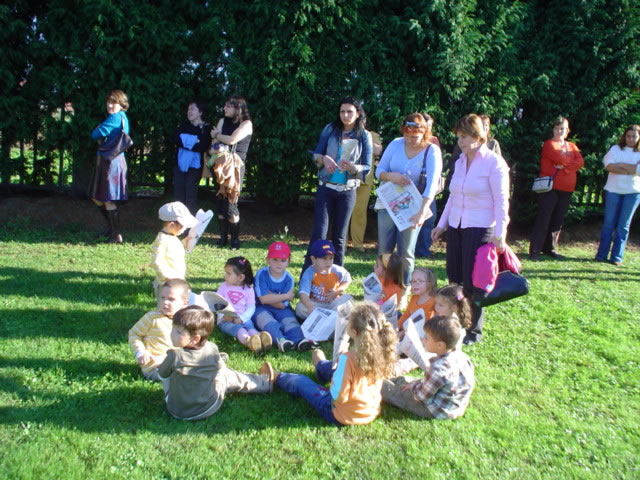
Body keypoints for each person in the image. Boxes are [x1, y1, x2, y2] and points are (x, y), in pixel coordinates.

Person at [431, 114, 510, 345]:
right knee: (455, 277)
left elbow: (501, 202)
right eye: (459, 137)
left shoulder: (494, 163)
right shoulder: (459, 162)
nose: (460, 142)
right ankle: (454, 322)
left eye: (465, 137)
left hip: (481, 228)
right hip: (457, 226)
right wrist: (441, 225)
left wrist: (501, 233)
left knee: (474, 282)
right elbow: (453, 197)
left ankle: (473, 329)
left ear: (478, 136)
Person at [262, 302, 397, 426]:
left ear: (354, 332)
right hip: (370, 412)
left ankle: (276, 376)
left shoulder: (348, 359)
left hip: (340, 413)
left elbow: (338, 396)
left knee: (302, 381)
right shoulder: (382, 353)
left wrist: (338, 372)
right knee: (333, 368)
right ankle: (320, 365)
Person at [158, 306, 273, 421]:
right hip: (207, 408)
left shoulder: (174, 356)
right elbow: (220, 370)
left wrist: (168, 395)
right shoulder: (212, 348)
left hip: (175, 410)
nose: (172, 334)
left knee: (216, 369)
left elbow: (162, 376)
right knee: (227, 375)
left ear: (195, 339)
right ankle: (264, 383)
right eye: (173, 328)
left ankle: (216, 360)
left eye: (178, 332)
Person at [301, 97, 373, 274]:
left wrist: (353, 167)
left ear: (358, 114)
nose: (345, 115)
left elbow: (367, 167)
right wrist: (324, 158)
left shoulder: (364, 135)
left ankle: (337, 278)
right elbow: (316, 154)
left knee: (339, 238)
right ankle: (308, 276)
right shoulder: (330, 129)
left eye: (350, 112)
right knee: (319, 234)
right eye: (342, 111)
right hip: (326, 188)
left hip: (347, 191)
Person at [376, 113, 443, 283]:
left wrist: (422, 212)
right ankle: (383, 285)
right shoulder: (396, 144)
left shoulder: (432, 150)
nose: (410, 140)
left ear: (424, 133)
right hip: (388, 204)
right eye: (407, 136)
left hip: (413, 207)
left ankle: (405, 286)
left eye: (415, 136)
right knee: (384, 249)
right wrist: (391, 176)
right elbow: (379, 170)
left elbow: (432, 184)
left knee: (406, 251)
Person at [381, 315, 475, 419]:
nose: (423, 340)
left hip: (435, 409)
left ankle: (379, 385)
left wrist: (412, 386)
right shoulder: (462, 357)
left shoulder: (438, 368)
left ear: (440, 345)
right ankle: (394, 382)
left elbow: (421, 396)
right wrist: (413, 384)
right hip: (453, 405)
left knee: (385, 389)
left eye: (427, 338)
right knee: (402, 380)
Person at [529, 116, 585, 259]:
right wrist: (570, 164)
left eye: (563, 129)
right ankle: (535, 250)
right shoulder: (549, 144)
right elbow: (559, 158)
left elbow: (580, 162)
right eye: (557, 128)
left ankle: (550, 248)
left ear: (567, 131)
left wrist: (565, 167)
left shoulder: (572, 146)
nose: (560, 131)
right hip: (550, 188)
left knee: (557, 220)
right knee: (544, 219)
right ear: (553, 130)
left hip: (567, 189)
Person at [253, 241, 316, 353]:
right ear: (268, 260)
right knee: (267, 321)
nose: (279, 264)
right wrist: (285, 296)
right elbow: (263, 299)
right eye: (275, 259)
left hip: (282, 309)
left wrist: (270, 296)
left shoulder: (289, 279)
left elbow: (282, 306)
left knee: (290, 321)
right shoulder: (261, 274)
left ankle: (300, 341)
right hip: (260, 308)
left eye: (283, 260)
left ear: (288, 262)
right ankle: (281, 340)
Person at [209, 95, 253, 249]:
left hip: (235, 167)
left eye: (228, 106)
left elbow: (232, 140)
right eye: (225, 105)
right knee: (220, 201)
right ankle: (223, 238)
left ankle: (235, 240)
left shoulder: (246, 124)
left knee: (231, 203)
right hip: (220, 165)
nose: (224, 108)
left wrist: (217, 135)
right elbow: (214, 144)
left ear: (237, 108)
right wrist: (217, 142)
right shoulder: (222, 121)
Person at [128, 279, 190, 381]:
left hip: (177, 361)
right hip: (155, 367)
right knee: (183, 377)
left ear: (184, 303)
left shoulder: (186, 320)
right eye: (163, 298)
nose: (165, 302)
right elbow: (134, 334)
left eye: (171, 299)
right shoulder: (152, 318)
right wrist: (141, 352)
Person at [595, 125, 640, 265]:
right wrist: (631, 169)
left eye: (634, 136)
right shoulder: (615, 149)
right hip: (613, 191)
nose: (631, 139)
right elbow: (609, 166)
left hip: (633, 193)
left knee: (623, 226)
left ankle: (616, 257)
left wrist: (621, 164)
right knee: (609, 223)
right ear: (624, 136)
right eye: (628, 136)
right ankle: (601, 255)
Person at [89, 89, 130, 244]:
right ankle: (111, 229)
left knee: (108, 198)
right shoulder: (123, 117)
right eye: (109, 102)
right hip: (115, 161)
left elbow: (95, 134)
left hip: (110, 162)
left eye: (114, 102)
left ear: (122, 104)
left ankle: (116, 235)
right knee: (97, 197)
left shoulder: (114, 118)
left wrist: (98, 128)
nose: (110, 105)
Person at [216, 256, 269, 354]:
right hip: (226, 320)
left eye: (228, 273)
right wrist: (223, 315)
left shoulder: (248, 289)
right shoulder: (223, 286)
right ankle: (248, 342)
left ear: (241, 277)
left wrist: (242, 318)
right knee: (239, 330)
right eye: (226, 273)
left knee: (250, 328)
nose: (225, 276)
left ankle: (260, 338)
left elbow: (251, 307)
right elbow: (217, 303)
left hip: (243, 318)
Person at [151, 202, 198, 299]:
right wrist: (166, 277)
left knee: (178, 302)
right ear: (172, 225)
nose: (185, 228)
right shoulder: (162, 239)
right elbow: (155, 261)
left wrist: (184, 242)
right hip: (166, 284)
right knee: (165, 304)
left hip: (176, 279)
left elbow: (173, 250)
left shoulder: (172, 236)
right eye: (183, 226)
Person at [296, 240, 352, 320]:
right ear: (313, 259)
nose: (328, 262)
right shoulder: (309, 272)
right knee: (300, 307)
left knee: (347, 299)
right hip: (315, 305)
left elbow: (347, 280)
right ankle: (330, 319)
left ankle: (323, 319)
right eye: (324, 258)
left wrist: (337, 292)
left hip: (332, 304)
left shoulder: (337, 270)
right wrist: (310, 306)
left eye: (331, 258)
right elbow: (303, 293)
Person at [172, 100, 212, 215]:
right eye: (188, 109)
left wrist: (186, 140)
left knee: (191, 196)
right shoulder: (183, 126)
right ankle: (178, 222)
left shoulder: (206, 128)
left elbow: (202, 146)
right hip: (179, 165)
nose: (189, 111)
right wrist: (195, 140)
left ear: (200, 112)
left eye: (193, 109)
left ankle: (190, 224)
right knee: (178, 196)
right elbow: (175, 139)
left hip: (195, 168)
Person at [349, 131, 382, 252]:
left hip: (365, 179)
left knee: (360, 211)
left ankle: (357, 244)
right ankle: (340, 242)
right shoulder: (345, 132)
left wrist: (364, 138)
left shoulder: (373, 135)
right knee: (344, 210)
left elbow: (378, 151)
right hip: (347, 177)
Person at [415, 113, 442, 258]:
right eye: (427, 125)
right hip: (414, 181)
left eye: (431, 125)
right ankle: (410, 249)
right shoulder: (412, 139)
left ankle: (423, 251)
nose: (429, 128)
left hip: (428, 181)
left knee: (429, 217)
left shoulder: (434, 140)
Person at [397, 268, 437, 333]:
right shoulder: (414, 298)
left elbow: (426, 325)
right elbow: (406, 315)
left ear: (430, 283)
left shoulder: (433, 301)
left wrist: (404, 332)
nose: (415, 284)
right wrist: (397, 327)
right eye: (413, 281)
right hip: (409, 329)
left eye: (420, 281)